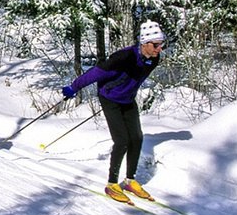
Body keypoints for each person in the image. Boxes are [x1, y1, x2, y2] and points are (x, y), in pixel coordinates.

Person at [62, 20, 165, 203]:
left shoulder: (154, 59)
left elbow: (135, 78)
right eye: (156, 45)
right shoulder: (123, 57)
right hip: (109, 98)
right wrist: (74, 87)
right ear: (144, 43)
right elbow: (95, 73)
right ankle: (112, 184)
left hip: (127, 99)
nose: (159, 49)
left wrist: (126, 90)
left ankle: (130, 180)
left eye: (161, 44)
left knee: (137, 138)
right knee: (122, 140)